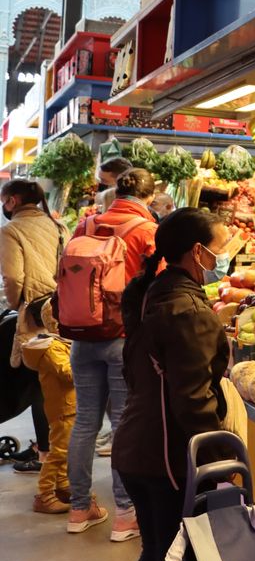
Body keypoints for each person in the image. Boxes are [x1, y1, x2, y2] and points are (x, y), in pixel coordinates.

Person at [114, 208, 231, 561]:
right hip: (165, 458)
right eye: (219, 249)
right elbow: (193, 400)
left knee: (156, 553)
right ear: (197, 252)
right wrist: (222, 462)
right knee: (170, 559)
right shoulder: (189, 312)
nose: (223, 257)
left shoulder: (152, 292)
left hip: (136, 446)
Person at [64, 168, 158, 539]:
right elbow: (161, 286)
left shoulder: (85, 225)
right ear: (148, 198)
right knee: (123, 425)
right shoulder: (146, 232)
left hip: (81, 336)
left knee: (85, 422)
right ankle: (124, 514)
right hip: (122, 338)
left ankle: (78, 508)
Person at [0, 180, 69, 502]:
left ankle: (44, 456)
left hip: (34, 314)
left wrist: (15, 304)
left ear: (12, 201)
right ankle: (54, 455)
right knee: (54, 384)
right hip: (61, 310)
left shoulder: (12, 230)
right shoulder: (57, 226)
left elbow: (13, 278)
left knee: (39, 384)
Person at [20, 301, 75, 514]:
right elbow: (68, 373)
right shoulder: (51, 348)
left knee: (65, 450)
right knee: (58, 451)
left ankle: (62, 486)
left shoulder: (60, 342)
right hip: (63, 407)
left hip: (68, 405)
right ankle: (44, 494)